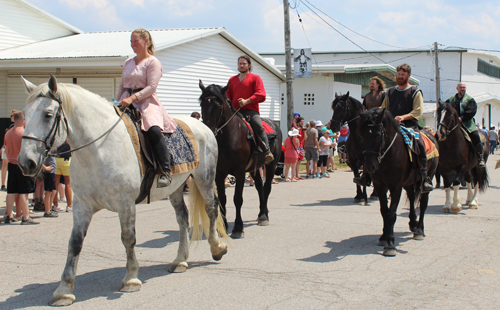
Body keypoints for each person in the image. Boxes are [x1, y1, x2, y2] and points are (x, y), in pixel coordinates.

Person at [117, 28, 177, 187]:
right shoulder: (128, 62)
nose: (132, 44)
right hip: (126, 100)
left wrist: (132, 98)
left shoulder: (153, 62)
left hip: (146, 102)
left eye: (135, 41)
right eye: (131, 41)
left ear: (146, 41)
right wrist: (117, 102)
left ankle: (165, 170)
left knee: (153, 129)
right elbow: (122, 85)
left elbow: (151, 87)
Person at [380, 63, 433, 192]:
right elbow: (383, 109)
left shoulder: (415, 91)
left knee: (419, 143)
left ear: (408, 76)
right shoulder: (390, 92)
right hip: (391, 126)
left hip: (409, 126)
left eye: (403, 74)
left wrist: (403, 117)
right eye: (399, 74)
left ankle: (424, 176)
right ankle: (367, 175)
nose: (400, 76)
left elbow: (418, 111)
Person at [226, 55, 274, 163]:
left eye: (244, 63)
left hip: (250, 111)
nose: (242, 65)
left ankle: (267, 151)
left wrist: (247, 101)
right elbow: (227, 95)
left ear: (249, 65)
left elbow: (261, 94)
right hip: (235, 112)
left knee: (258, 126)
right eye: (240, 63)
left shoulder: (255, 78)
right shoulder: (232, 80)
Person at [4, 111, 38, 225]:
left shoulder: (7, 133)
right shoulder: (24, 133)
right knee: (24, 192)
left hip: (11, 163)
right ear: (23, 120)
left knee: (11, 191)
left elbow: (6, 149)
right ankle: (25, 217)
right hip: (22, 165)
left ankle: (8, 215)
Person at [445, 82, 485, 167]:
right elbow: (446, 109)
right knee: (441, 135)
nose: (462, 89)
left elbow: (471, 111)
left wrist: (461, 118)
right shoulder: (451, 99)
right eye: (461, 87)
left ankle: (480, 157)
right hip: (453, 124)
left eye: (464, 87)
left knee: (475, 136)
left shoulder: (470, 100)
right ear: (457, 88)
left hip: (467, 124)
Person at [53, 142, 73, 212]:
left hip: (56, 158)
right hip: (66, 159)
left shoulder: (57, 136)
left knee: (56, 183)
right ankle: (69, 205)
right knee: (68, 183)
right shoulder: (66, 137)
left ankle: (55, 205)